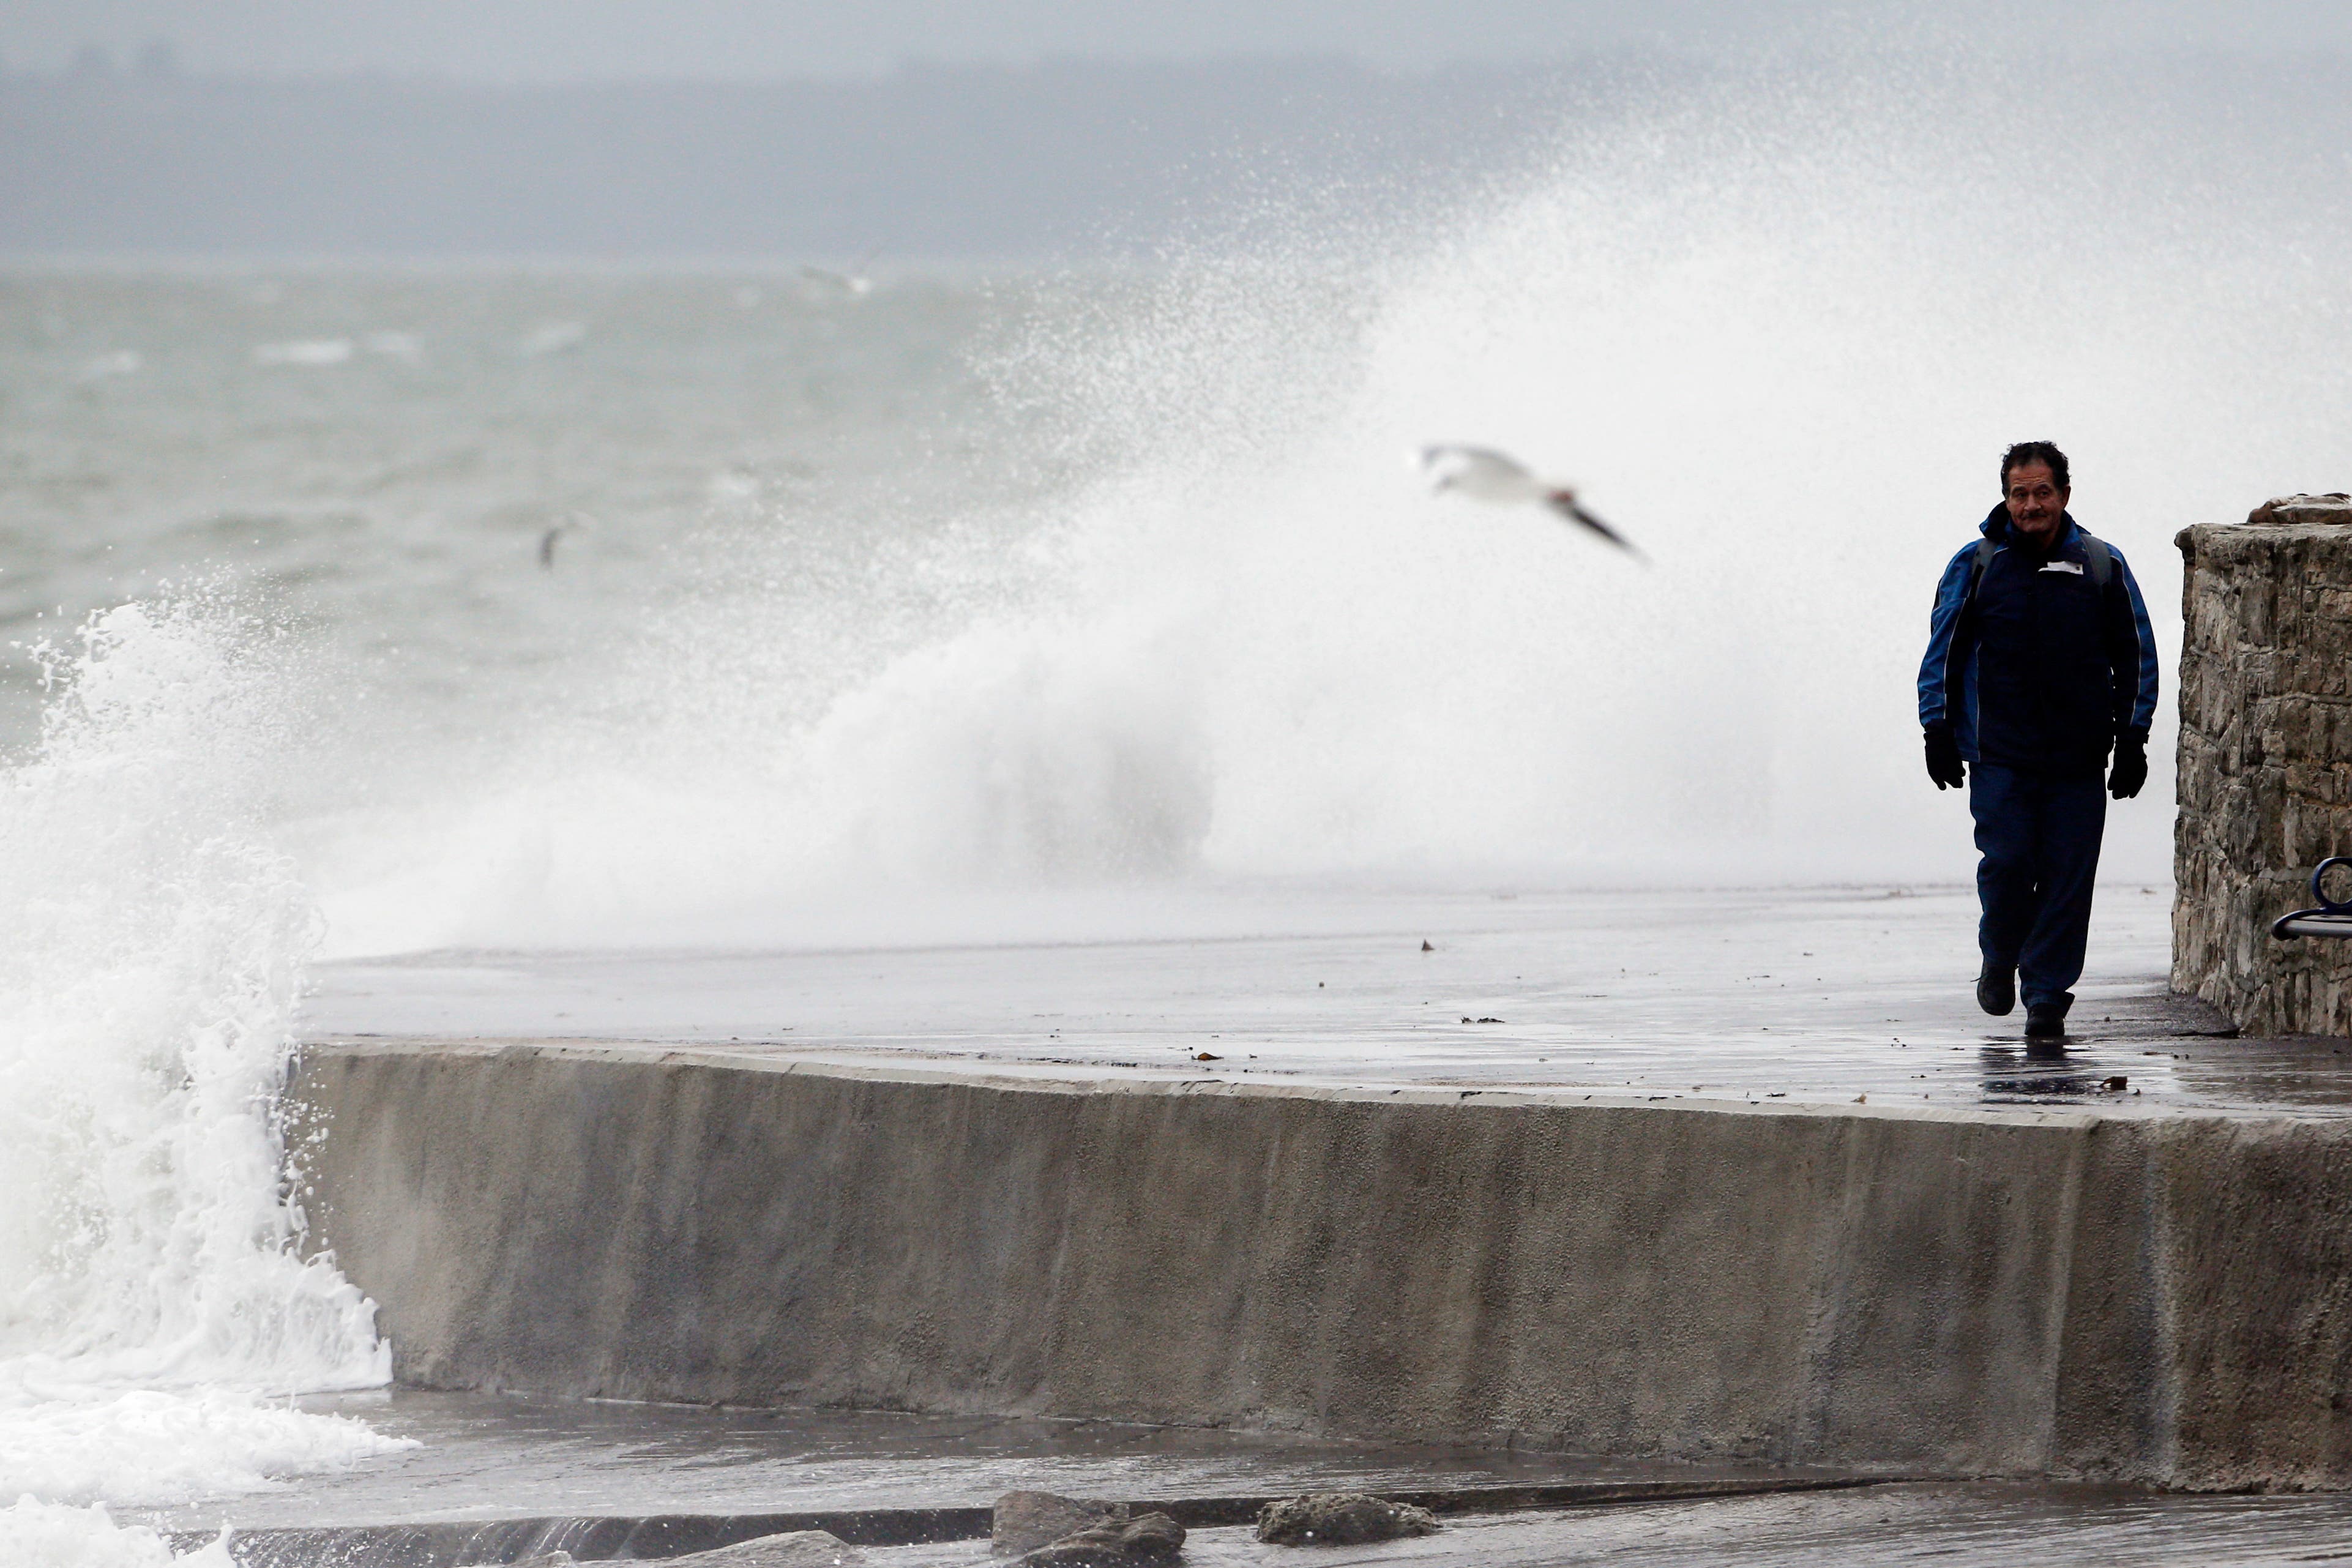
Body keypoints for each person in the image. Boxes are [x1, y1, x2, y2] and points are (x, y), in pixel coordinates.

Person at [1916, 441, 2159, 1040]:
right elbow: (1942, 650)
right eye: (2019, 494)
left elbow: (2135, 653)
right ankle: (2000, 954)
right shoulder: (1977, 564)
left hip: (2078, 757)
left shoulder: (2101, 564)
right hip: (1999, 753)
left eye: (2042, 492)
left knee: (2067, 877)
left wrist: (2133, 737)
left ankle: (2047, 994)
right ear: (2006, 499)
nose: (2031, 505)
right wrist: (1936, 728)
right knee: (2006, 863)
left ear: (2065, 495)